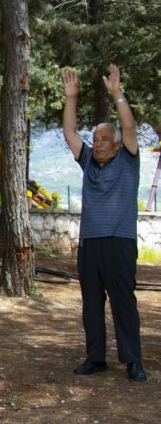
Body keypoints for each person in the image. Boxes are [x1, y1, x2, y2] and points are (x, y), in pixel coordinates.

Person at [62, 64, 146, 382]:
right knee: (92, 304)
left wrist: (116, 93)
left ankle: (133, 361)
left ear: (117, 144)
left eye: (105, 139)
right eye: (96, 138)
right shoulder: (88, 163)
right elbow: (70, 133)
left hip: (119, 242)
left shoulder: (128, 160)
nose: (98, 143)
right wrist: (72, 98)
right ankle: (95, 358)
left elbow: (130, 127)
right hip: (90, 244)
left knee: (123, 302)